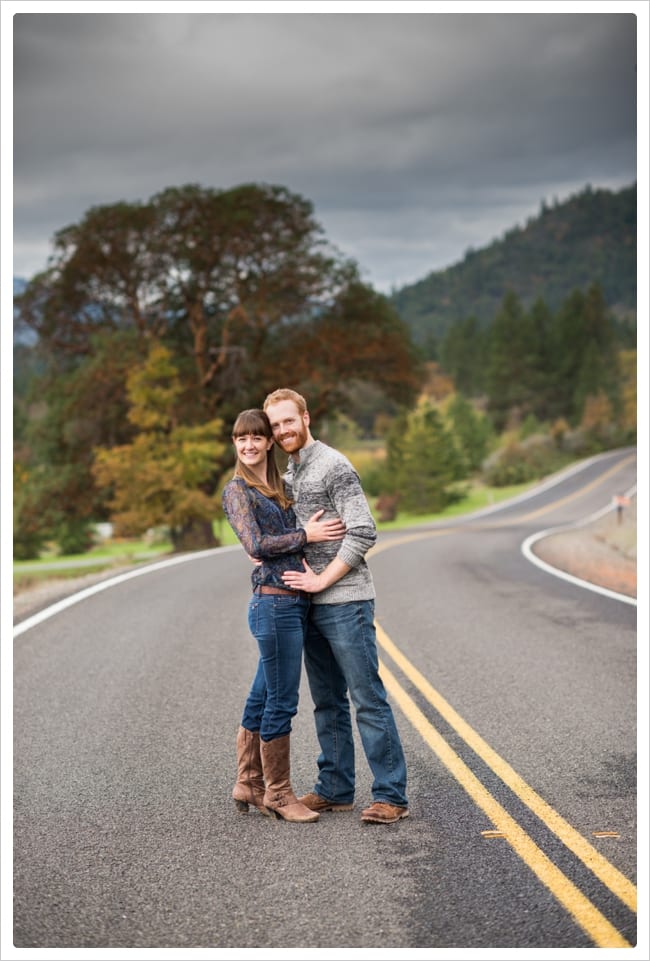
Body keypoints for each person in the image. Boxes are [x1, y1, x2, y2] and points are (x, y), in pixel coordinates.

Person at [263, 388, 409, 824]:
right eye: (275, 425)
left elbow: (364, 531)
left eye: (289, 421)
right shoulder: (288, 476)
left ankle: (390, 795)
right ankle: (335, 787)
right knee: (326, 701)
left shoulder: (333, 466)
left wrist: (321, 580)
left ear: (306, 418)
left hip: (345, 600)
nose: (283, 430)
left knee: (367, 698)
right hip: (305, 605)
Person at [222, 408, 345, 823]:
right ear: (235, 444)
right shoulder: (238, 491)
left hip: (291, 605)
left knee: (262, 696)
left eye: (257, 437)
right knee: (281, 701)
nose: (250, 445)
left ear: (269, 442)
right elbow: (255, 543)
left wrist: (302, 531)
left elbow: (276, 540)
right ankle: (278, 793)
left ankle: (248, 783)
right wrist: (304, 535)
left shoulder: (277, 487)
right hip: (273, 605)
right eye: (241, 439)